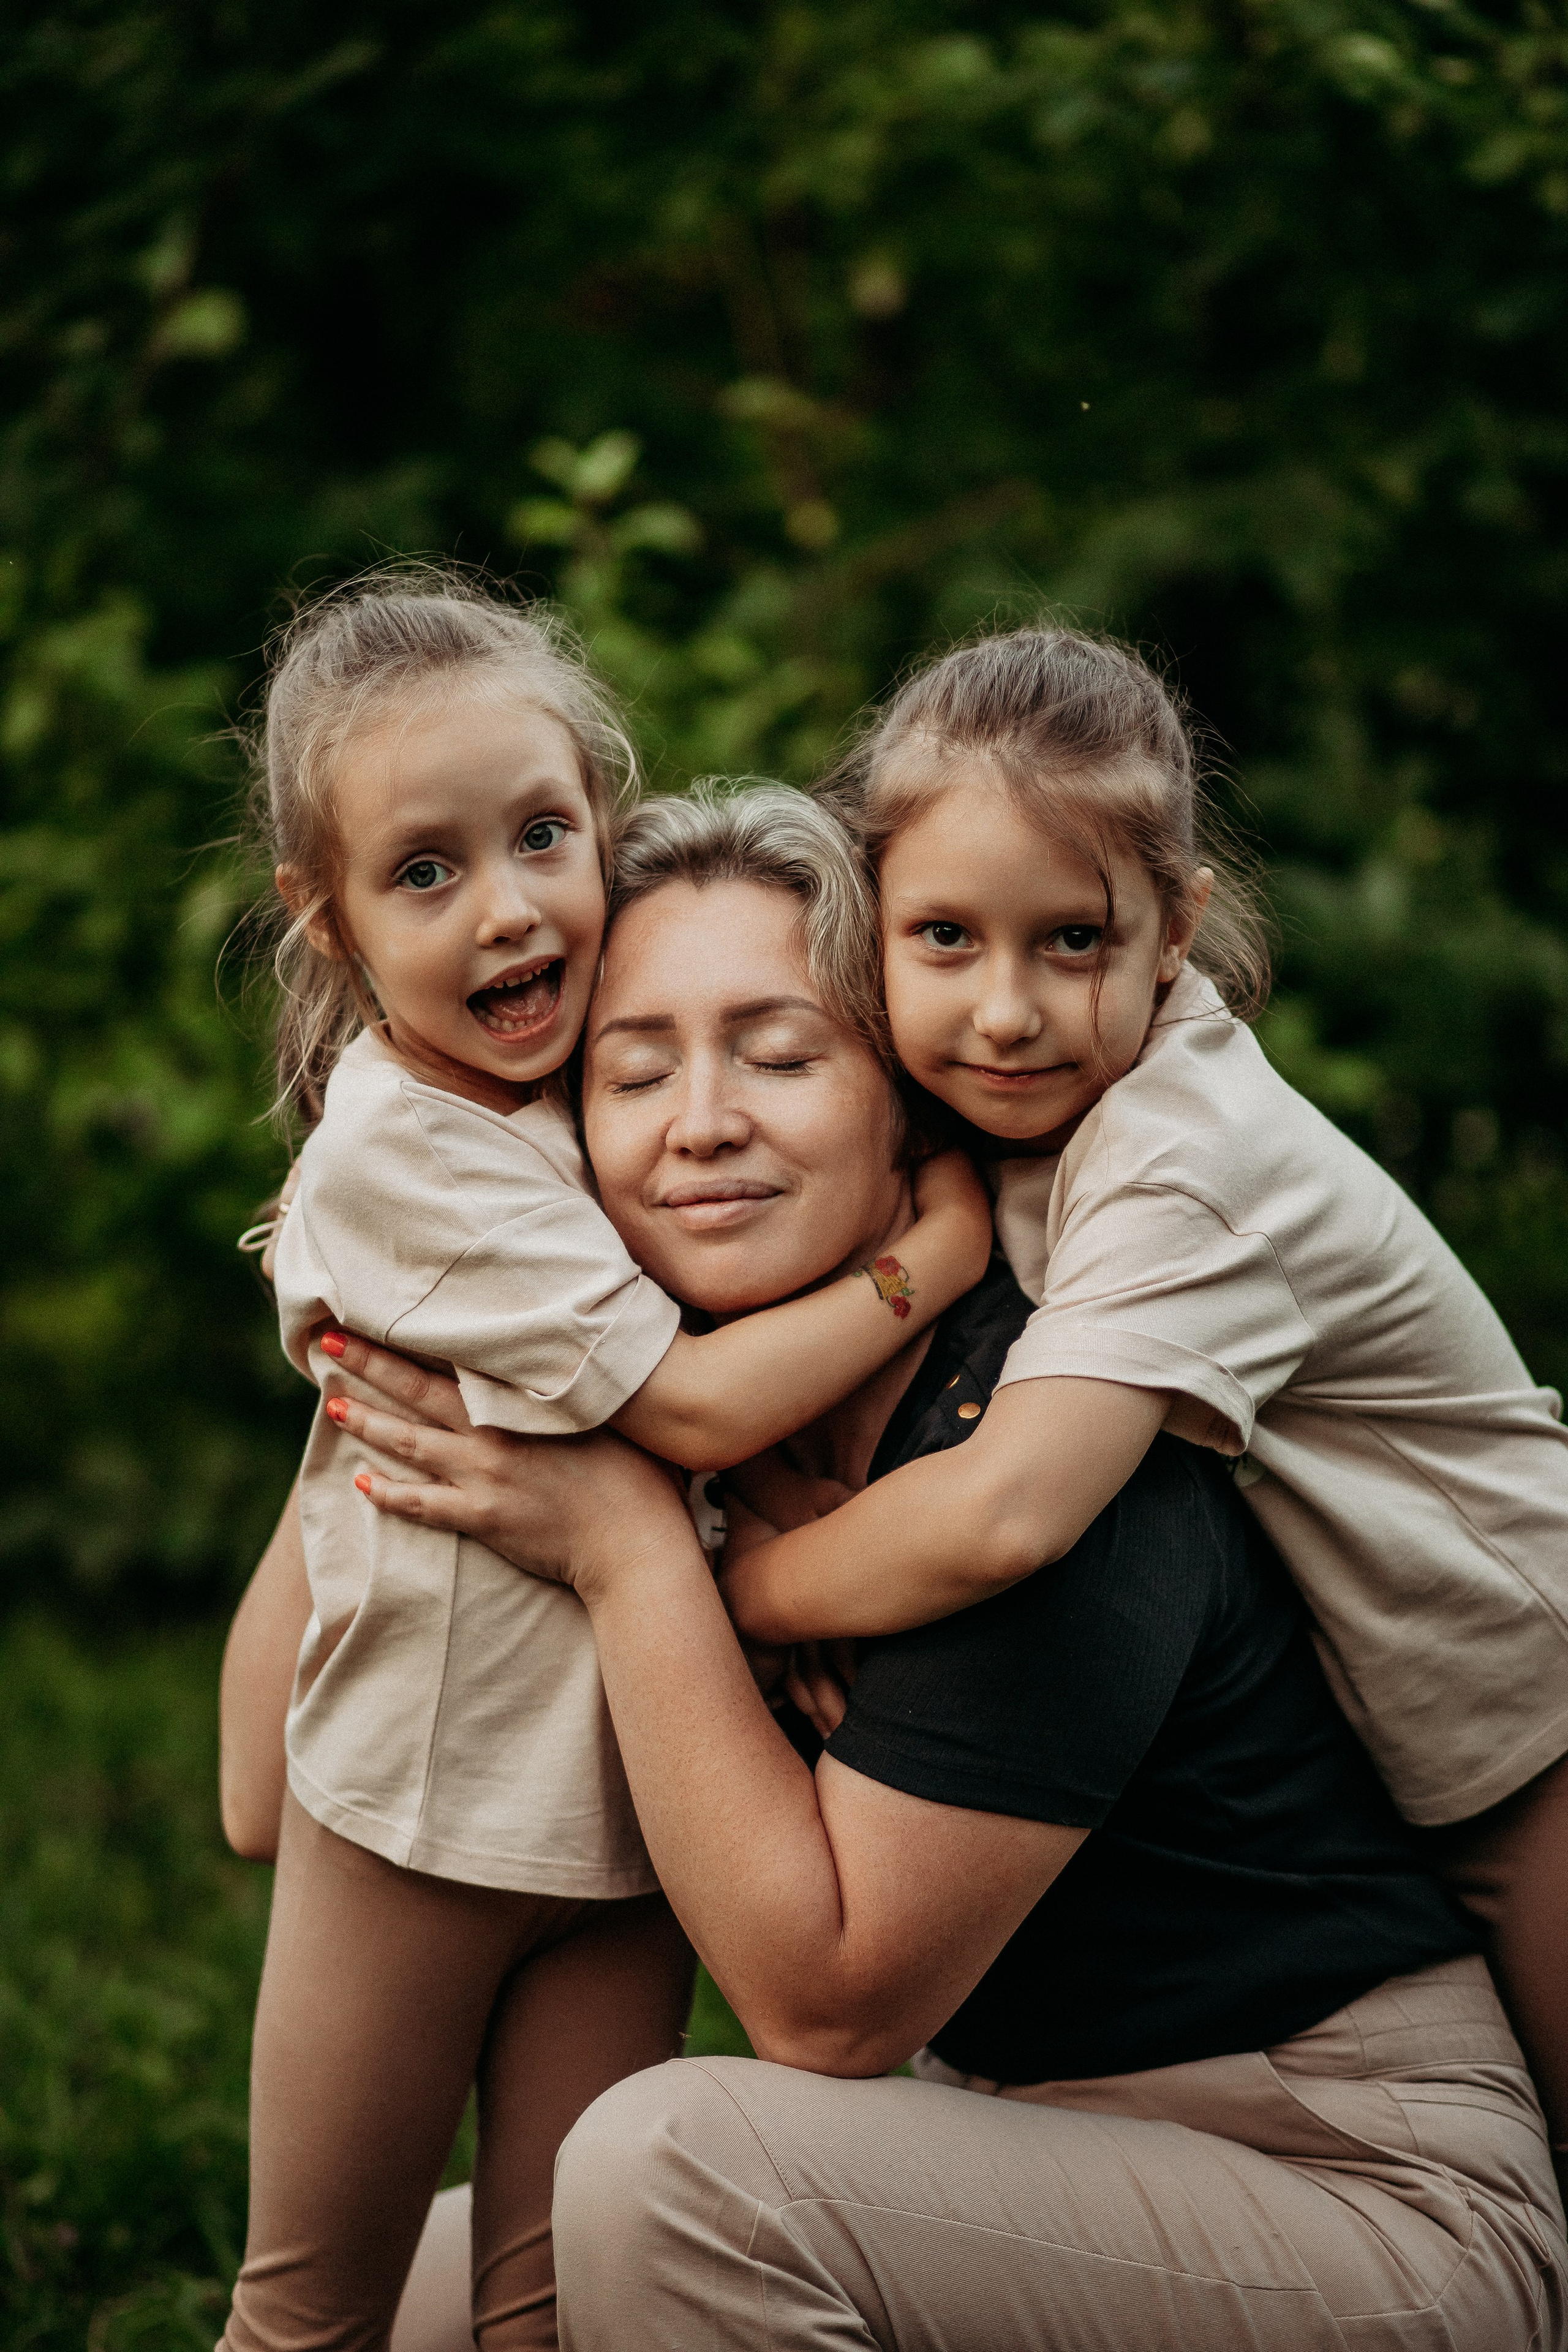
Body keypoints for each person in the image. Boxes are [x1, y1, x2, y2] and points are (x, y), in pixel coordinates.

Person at [318, 782, 1566, 2351]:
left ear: (905, 1098)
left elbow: (824, 2004)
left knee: (671, 2173)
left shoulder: (1048, 1436)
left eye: (779, 1057)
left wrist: (634, 1561)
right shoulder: (680, 1418)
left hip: (1358, 2193)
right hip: (1026, 2144)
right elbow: (253, 1784)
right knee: (423, 2281)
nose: (701, 1120)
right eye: (632, 1074)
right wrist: (374, 1358)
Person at [222, 576, 988, 2352]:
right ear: (323, 919)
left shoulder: (576, 1100)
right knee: (307, 2312)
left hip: (626, 1819)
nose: (504, 912)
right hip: (421, 1808)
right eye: (425, 872)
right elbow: (700, 1410)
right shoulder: (409, 1153)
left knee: (546, 2308)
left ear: (606, 820)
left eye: (542, 836)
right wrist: (929, 1255)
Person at [717, 626, 1568, 2173]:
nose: (1004, 1013)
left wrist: (743, 1592)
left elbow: (1002, 1511)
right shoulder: (1011, 1115)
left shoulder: (1186, 1148)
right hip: (1401, 1733)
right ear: (876, 923)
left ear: (1171, 930)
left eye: (1071, 942)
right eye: (946, 940)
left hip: (1525, 1717)